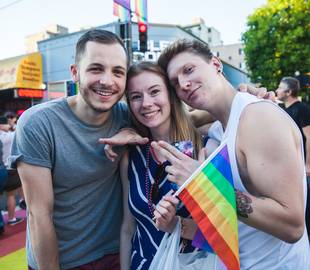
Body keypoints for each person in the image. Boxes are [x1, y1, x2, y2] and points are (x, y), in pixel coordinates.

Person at [148, 39, 310, 268]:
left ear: (216, 64)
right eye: (175, 82)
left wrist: (202, 183)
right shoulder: (217, 130)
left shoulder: (258, 118)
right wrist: (177, 225)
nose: (183, 83)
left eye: (189, 69)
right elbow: (234, 229)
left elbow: (291, 226)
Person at [10, 29, 133, 270]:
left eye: (118, 72)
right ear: (75, 73)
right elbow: (39, 215)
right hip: (60, 261)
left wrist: (133, 132)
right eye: (96, 68)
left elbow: (190, 117)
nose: (108, 81)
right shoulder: (39, 123)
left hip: (114, 254)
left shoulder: (128, 116)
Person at [119, 61, 213, 270]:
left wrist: (178, 226)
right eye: (136, 96)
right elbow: (128, 228)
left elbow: (225, 232)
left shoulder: (204, 149)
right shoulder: (131, 156)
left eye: (154, 92)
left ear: (170, 95)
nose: (146, 103)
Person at [276, 76, 310, 238]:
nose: (277, 90)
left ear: (289, 92)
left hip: (304, 169)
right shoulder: (283, 110)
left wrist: (308, 165)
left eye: (280, 88)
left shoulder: (302, 109)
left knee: (306, 210)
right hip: (291, 169)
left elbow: (309, 137)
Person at [0, 116, 23, 226]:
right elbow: (20, 130)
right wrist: (13, 124)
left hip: (1, 168)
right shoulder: (9, 136)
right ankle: (11, 218)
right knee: (10, 195)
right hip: (9, 168)